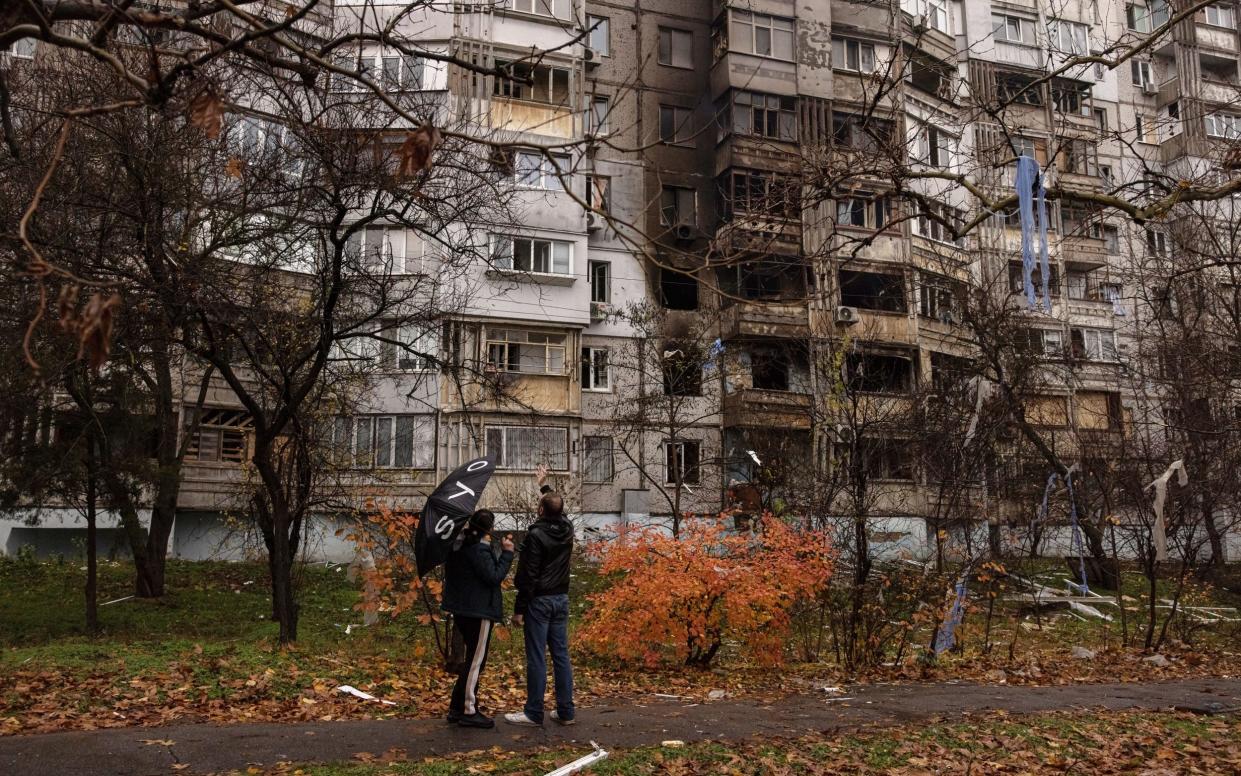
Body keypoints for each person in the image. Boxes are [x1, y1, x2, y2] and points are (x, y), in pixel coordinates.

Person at [504, 470, 576, 727]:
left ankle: (534, 712)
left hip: (540, 602)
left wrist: (519, 610)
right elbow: (559, 509)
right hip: (561, 599)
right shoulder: (567, 528)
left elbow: (528, 577)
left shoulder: (535, 536)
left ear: (540, 510)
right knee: (561, 656)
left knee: (536, 656)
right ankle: (566, 711)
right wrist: (544, 486)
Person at [441, 508, 514, 729]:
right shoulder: (478, 550)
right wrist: (508, 554)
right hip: (479, 611)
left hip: (463, 610)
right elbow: (493, 577)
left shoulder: (458, 545)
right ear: (489, 529)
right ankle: (468, 711)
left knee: (473, 660)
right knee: (476, 662)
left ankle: (457, 707)